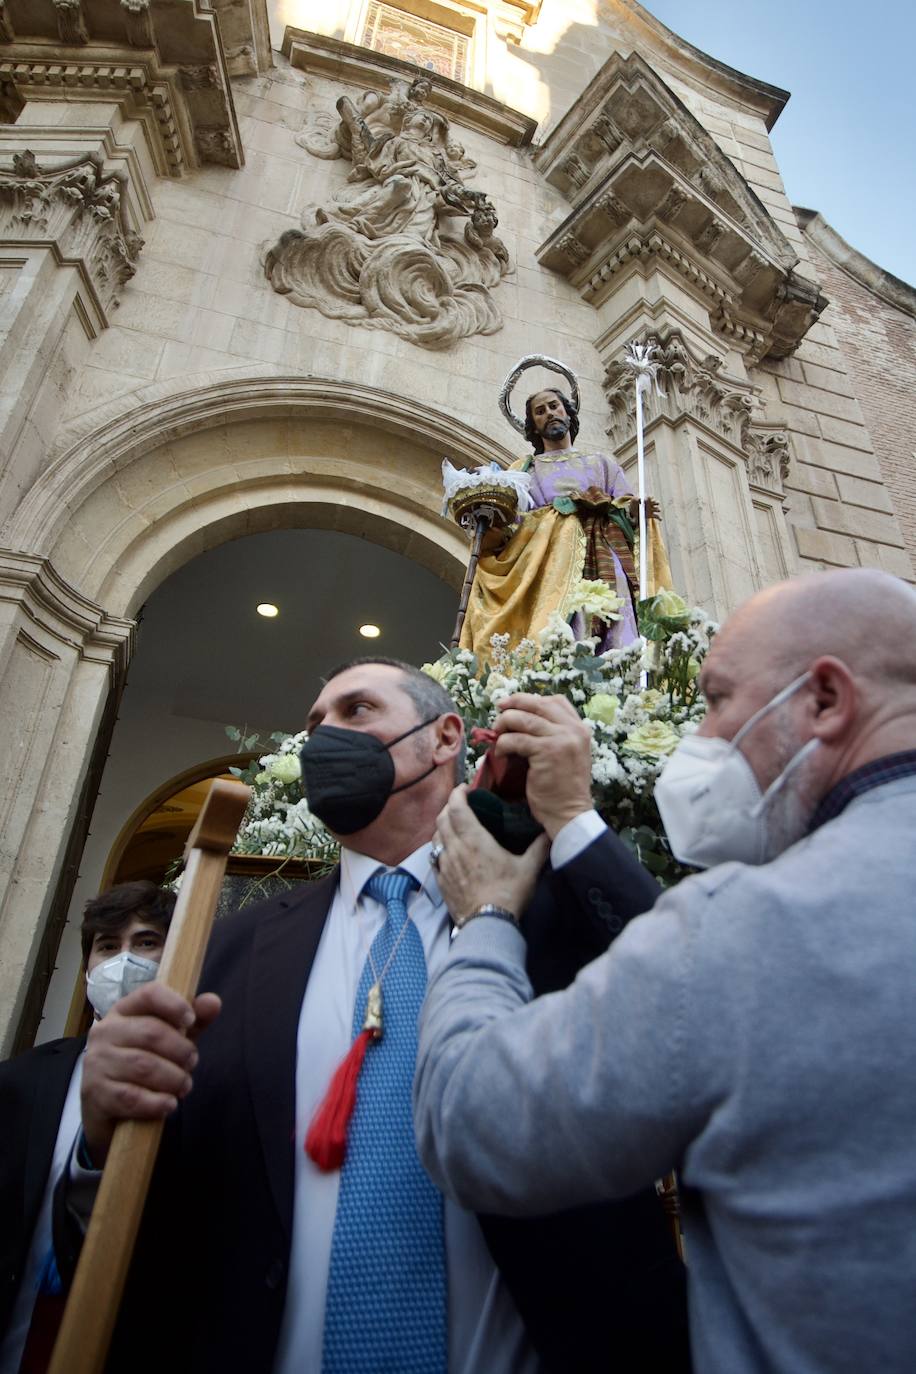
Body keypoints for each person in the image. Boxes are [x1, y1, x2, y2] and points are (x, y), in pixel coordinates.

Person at [62, 657, 690, 1374]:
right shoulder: (227, 950)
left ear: (445, 737)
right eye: (314, 724)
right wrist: (102, 1139)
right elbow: (167, 1210)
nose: (324, 735)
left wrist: (572, 816)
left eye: (355, 711)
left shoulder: (554, 906)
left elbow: (687, 997)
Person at [414, 567, 916, 1374]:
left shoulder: (748, 924)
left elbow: (475, 1123)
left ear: (825, 700)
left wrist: (483, 923)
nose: (703, 738)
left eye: (717, 701)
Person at [0, 881, 175, 1374]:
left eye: (146, 942)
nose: (124, 961)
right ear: (87, 967)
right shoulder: (18, 1082)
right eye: (107, 946)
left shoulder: (214, 1080)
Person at [460, 387, 671, 655]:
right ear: (534, 426)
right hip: (550, 560)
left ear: (567, 413)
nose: (549, 413)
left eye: (554, 406)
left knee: (612, 609)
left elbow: (624, 504)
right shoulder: (526, 469)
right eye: (540, 411)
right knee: (560, 620)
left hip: (603, 551)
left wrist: (636, 510)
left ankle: (618, 663)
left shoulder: (601, 462)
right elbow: (512, 521)